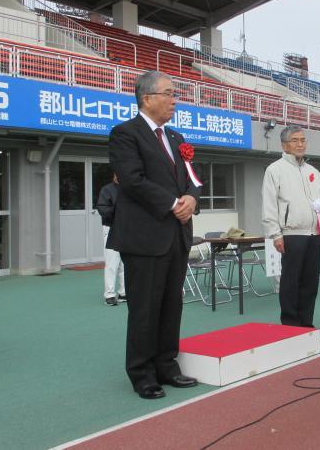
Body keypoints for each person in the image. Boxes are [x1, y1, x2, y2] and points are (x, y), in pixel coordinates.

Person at [108, 70, 201, 400]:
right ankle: (142, 372)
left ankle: (167, 364)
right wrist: (174, 202)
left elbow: (190, 177)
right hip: (145, 237)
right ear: (147, 98)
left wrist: (191, 197)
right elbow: (132, 180)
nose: (175, 100)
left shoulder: (176, 138)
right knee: (145, 307)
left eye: (175, 93)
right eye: (169, 93)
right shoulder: (125, 134)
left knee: (171, 304)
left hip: (176, 235)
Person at [262, 125, 320, 337]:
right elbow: (269, 203)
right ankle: (290, 326)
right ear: (284, 145)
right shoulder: (275, 170)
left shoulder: (313, 172)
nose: (300, 144)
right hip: (291, 234)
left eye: (303, 140)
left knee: (310, 282)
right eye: (295, 140)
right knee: (291, 282)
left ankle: (307, 326)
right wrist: (275, 233)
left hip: (313, 234)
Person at [96, 173, 126, 306]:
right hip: (111, 227)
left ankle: (124, 292)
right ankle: (109, 294)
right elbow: (102, 208)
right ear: (114, 176)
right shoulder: (107, 190)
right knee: (112, 262)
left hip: (127, 229)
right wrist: (118, 210)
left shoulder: (130, 189)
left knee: (125, 263)